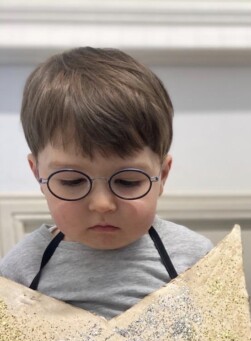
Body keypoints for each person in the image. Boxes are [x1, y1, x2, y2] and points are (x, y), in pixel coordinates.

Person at [0, 47, 213, 318]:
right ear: (38, 175)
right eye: (72, 181)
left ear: (162, 175)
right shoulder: (20, 268)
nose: (102, 204)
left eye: (127, 181)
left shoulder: (196, 259)